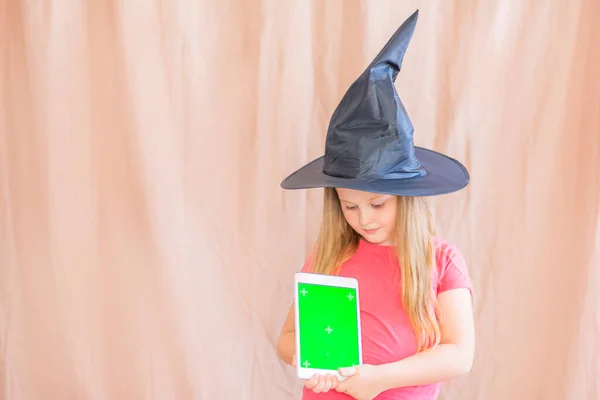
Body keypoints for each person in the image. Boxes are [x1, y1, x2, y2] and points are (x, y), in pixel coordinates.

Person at [275, 9, 475, 400]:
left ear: (407, 198)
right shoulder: (330, 255)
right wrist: (315, 360)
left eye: (377, 204)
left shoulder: (442, 260)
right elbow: (286, 339)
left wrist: (380, 378)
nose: (363, 219)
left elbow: (459, 354)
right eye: (350, 207)